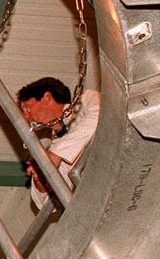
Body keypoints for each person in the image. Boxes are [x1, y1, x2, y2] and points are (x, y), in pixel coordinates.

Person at [16, 77, 100, 209]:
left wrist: (56, 154)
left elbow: (102, 114)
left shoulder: (87, 99)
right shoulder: (56, 147)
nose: (25, 116)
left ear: (47, 98)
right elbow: (47, 204)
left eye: (27, 107)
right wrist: (41, 182)